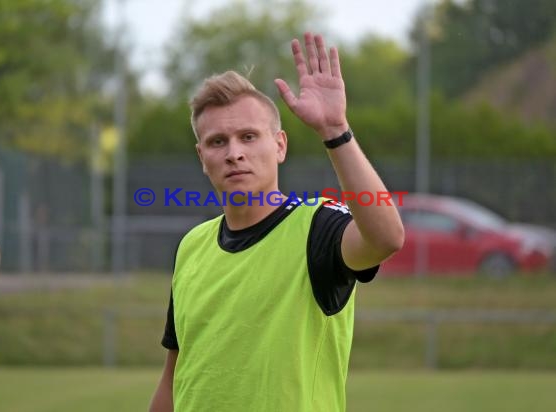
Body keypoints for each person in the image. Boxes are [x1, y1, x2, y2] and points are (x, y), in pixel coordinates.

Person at [149, 32, 404, 412]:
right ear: (202, 157)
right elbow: (175, 375)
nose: (234, 153)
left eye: (248, 137)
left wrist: (334, 130)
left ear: (279, 145)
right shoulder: (192, 245)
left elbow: (386, 239)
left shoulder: (316, 226)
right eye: (218, 142)